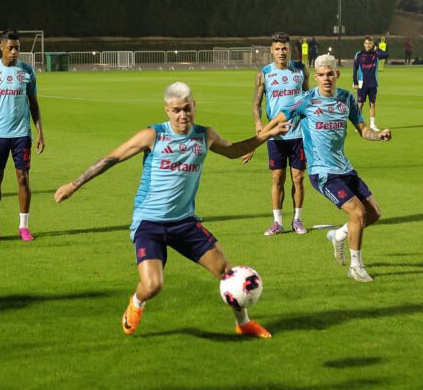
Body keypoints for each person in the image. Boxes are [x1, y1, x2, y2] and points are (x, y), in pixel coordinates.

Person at [54, 82, 288, 338]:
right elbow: (112, 158)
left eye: (187, 109)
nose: (183, 115)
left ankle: (243, 323)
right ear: (167, 110)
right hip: (149, 223)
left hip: (185, 223)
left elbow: (233, 151)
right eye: (176, 110)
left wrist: (264, 136)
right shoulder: (153, 135)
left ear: (194, 106)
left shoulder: (205, 135)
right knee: (153, 285)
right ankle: (136, 303)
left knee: (226, 272)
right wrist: (74, 184)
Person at [270, 54, 392, 282]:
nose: (326, 78)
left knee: (374, 213)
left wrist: (378, 135)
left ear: (337, 74)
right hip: (322, 172)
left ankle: (338, 235)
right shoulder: (305, 100)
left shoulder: (346, 99)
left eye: (330, 74)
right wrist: (263, 136)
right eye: (321, 75)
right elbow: (281, 120)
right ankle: (355, 266)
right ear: (315, 76)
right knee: (358, 213)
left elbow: (364, 130)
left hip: (345, 168)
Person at [0, 30, 45, 242]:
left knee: (23, 178)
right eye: (10, 48)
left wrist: (40, 132)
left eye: (17, 48)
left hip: (22, 134)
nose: (14, 52)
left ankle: (23, 226)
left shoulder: (27, 72)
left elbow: (34, 104)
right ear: (1, 47)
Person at [243, 31, 309, 235]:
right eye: (277, 49)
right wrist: (258, 122)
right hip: (275, 135)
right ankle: (277, 222)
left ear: (290, 50)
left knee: (298, 178)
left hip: (298, 134)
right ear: (271, 51)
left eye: (285, 49)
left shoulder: (300, 70)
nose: (281, 52)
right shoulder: (264, 74)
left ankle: (297, 220)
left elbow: (307, 98)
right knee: (277, 178)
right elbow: (256, 104)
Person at [352, 35, 390, 131]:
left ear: (372, 44)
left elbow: (385, 55)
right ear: (364, 44)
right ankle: (358, 124)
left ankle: (372, 124)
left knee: (372, 104)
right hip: (362, 83)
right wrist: (355, 81)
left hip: (373, 83)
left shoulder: (376, 54)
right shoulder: (359, 54)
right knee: (360, 104)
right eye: (366, 43)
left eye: (369, 43)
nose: (367, 45)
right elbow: (355, 68)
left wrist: (376, 48)